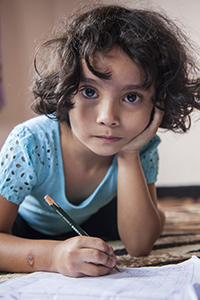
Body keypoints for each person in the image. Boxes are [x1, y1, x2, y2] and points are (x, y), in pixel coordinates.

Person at [0, 4, 200, 278]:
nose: (108, 117)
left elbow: (140, 247)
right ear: (65, 89)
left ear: (158, 104)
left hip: (99, 217)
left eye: (131, 97)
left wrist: (129, 154)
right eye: (90, 91)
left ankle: (156, 214)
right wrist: (54, 256)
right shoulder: (29, 143)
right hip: (29, 227)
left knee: (140, 224)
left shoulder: (141, 144)